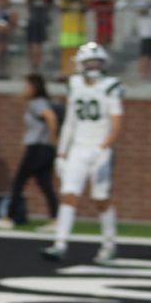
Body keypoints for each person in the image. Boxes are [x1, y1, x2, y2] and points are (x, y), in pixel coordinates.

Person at [44, 43, 122, 263]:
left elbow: (116, 125)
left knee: (100, 198)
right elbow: (70, 122)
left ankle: (109, 243)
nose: (93, 66)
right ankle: (59, 244)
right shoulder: (75, 85)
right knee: (69, 194)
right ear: (81, 65)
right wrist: (61, 153)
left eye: (97, 62)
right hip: (79, 147)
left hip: (100, 148)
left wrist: (103, 149)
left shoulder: (110, 87)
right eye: (89, 62)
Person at [0, 74, 60, 230]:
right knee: (45, 184)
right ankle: (56, 219)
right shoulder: (37, 103)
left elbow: (51, 118)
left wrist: (53, 139)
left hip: (38, 148)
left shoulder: (37, 103)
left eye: (27, 86)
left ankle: (8, 218)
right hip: (43, 148)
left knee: (18, 182)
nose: (24, 89)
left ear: (34, 88)